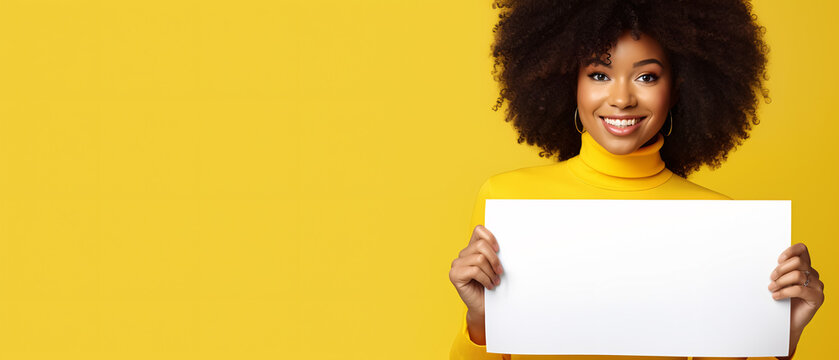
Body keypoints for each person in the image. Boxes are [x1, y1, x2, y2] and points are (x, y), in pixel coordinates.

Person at [448, 1, 825, 359]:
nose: (622, 98)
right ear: (571, 83)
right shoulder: (509, 201)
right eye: (599, 74)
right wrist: (481, 322)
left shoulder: (719, 220)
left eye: (646, 76)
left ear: (678, 88)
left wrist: (778, 333)